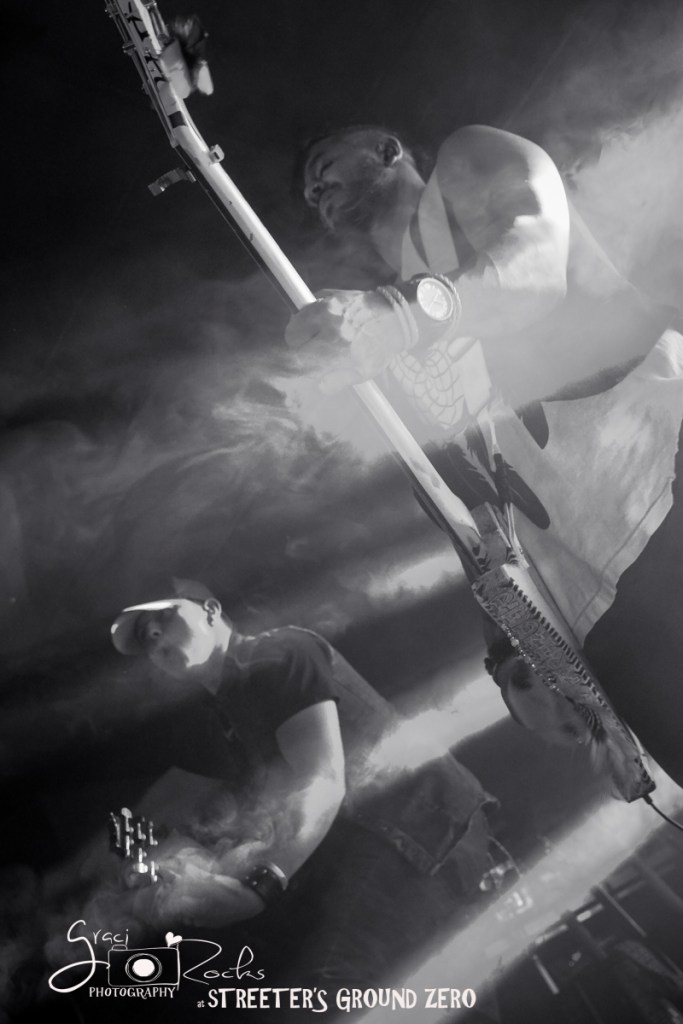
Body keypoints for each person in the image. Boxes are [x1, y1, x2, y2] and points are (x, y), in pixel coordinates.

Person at [285, 124, 683, 787]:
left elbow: (536, 264)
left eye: (325, 163)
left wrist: (403, 312)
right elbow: (473, 519)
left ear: (387, 149)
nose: (314, 190)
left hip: (660, 462)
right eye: (308, 193)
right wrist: (516, 654)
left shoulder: (464, 166)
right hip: (605, 601)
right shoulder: (387, 350)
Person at [108, 579, 498, 1005]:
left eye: (165, 616)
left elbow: (322, 779)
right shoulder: (227, 711)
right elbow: (270, 810)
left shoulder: (276, 655)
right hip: (409, 838)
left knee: (331, 995)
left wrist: (259, 885)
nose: (154, 634)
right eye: (145, 636)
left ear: (211, 611)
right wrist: (202, 869)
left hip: (417, 830)